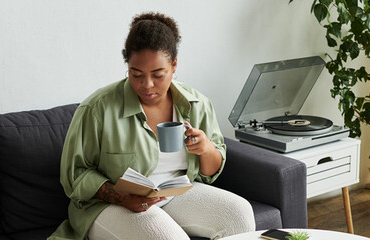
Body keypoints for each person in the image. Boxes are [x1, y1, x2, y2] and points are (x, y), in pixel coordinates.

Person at [48, 12, 255, 240]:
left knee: (238, 214)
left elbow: (209, 174)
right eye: (136, 74)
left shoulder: (197, 104)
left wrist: (206, 149)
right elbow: (76, 174)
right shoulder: (98, 108)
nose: (146, 85)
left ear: (174, 65)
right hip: (108, 205)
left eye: (157, 75)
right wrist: (121, 197)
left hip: (175, 194)